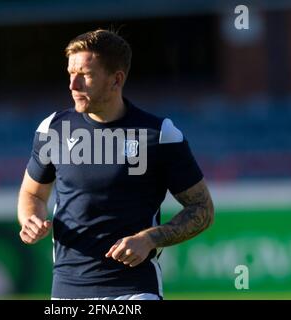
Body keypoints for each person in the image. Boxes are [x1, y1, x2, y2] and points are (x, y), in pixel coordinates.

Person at [17, 29, 214, 300]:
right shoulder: (53, 128)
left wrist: (150, 239)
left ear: (116, 79)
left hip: (134, 291)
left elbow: (202, 209)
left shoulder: (160, 135)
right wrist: (30, 218)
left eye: (85, 75)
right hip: (66, 293)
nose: (73, 85)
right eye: (70, 73)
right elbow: (32, 194)